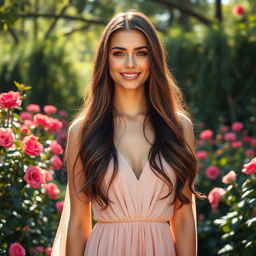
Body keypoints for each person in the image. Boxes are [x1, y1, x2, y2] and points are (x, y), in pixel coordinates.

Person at [51, 10, 204, 256]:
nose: (130, 64)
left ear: (153, 59)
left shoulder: (178, 128)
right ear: (106, 60)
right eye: (119, 53)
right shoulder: (83, 131)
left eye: (141, 53)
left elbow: (184, 217)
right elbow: (78, 223)